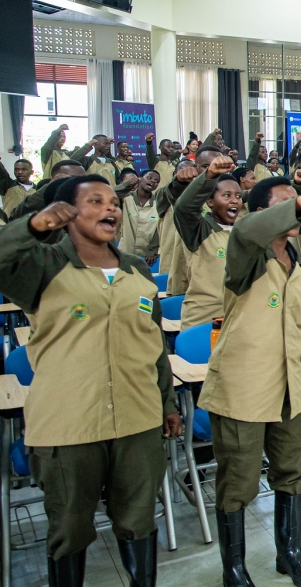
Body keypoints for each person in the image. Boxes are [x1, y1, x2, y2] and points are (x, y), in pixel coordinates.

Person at [0, 175, 182, 586]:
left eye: (113, 201)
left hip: (138, 417)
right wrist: (32, 227)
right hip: (69, 422)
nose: (110, 208)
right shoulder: (42, 266)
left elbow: (153, 345)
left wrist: (167, 403)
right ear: (66, 213)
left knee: (138, 520)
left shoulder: (136, 269)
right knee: (70, 526)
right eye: (95, 201)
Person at [199, 177, 301, 586]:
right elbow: (244, 229)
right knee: (239, 479)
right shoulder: (246, 252)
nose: (299, 208)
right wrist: (300, 204)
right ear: (262, 213)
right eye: (287, 204)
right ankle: (234, 569)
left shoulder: (298, 261)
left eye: (299, 201)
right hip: (243, 384)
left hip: (288, 385)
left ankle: (289, 554)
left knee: (291, 470)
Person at [174, 152, 241, 328]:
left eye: (238, 196)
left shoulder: (243, 231)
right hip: (203, 320)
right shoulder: (200, 230)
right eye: (226, 195)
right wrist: (209, 176)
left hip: (237, 320)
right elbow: (184, 209)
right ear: (210, 202)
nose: (234, 201)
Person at [118, 169, 162, 264]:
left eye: (156, 181)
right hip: (125, 252)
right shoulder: (126, 199)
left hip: (146, 257)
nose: (153, 181)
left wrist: (152, 250)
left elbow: (158, 230)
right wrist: (126, 185)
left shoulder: (158, 204)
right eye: (149, 177)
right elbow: (110, 195)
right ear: (140, 179)